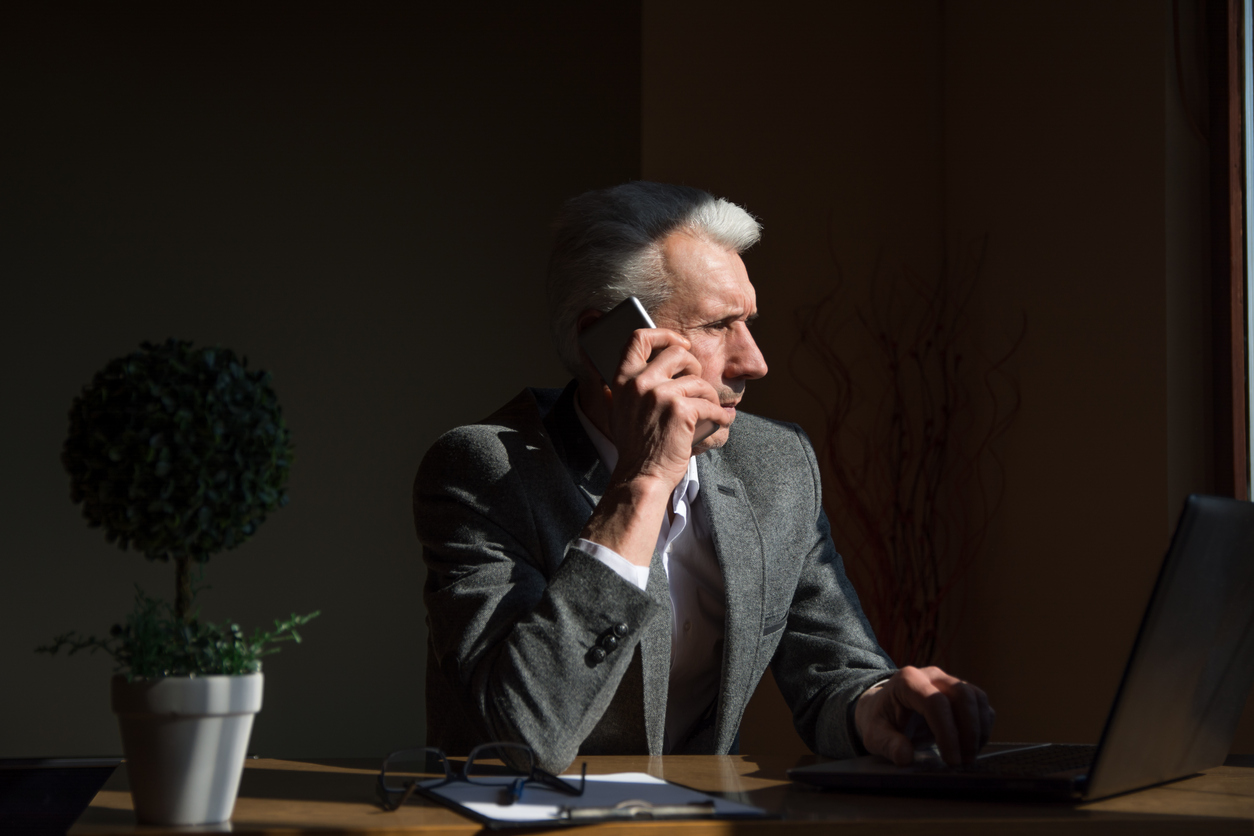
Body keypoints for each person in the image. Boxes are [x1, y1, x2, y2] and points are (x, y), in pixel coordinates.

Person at [414, 182, 993, 772]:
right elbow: (522, 737)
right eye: (718, 325)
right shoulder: (482, 473)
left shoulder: (776, 463)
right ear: (607, 343)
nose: (755, 362)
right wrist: (642, 485)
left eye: (747, 322)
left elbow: (834, 671)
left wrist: (874, 705)